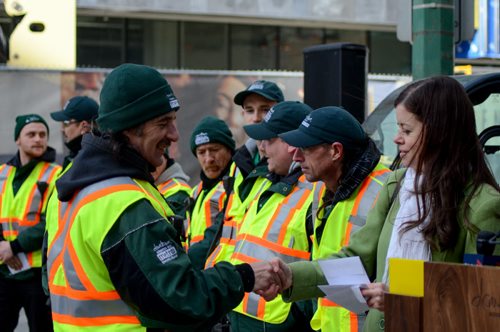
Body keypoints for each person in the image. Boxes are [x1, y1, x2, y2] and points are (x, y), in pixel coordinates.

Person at [45, 63, 283, 331]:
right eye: (163, 123)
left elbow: (50, 281)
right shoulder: (124, 203)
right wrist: (244, 276)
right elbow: (183, 300)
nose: (174, 134)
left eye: (173, 120)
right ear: (129, 126)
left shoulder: (68, 190)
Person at [276, 76, 500, 332]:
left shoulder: (484, 206)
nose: (396, 139)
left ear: (440, 133)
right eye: (397, 129)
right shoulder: (397, 185)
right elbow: (357, 260)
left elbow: (482, 301)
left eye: (407, 130)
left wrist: (402, 295)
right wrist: (291, 276)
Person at [277, 106, 390, 331]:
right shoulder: (321, 188)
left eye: (306, 148)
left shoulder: (386, 191)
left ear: (336, 151)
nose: (295, 155)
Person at [227, 101, 315, 331]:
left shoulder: (316, 194)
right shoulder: (265, 182)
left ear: (292, 143)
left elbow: (324, 265)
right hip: (243, 312)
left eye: (268, 140)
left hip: (278, 320)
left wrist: (297, 315)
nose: (262, 148)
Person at [203, 80, 284, 269]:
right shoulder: (237, 163)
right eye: (249, 110)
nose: (256, 118)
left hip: (264, 280)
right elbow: (224, 223)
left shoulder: (287, 166)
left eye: (265, 109)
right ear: (242, 115)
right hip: (230, 278)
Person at [0, 114, 61, 332]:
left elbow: (50, 222)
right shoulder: (2, 173)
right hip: (4, 270)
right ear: (18, 139)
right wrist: (3, 246)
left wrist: (13, 247)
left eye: (42, 135)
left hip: (36, 275)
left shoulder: (55, 174)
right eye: (31, 134)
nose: (38, 139)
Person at [187, 116, 235, 251]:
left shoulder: (238, 185)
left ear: (229, 150)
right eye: (201, 152)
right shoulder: (196, 192)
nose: (208, 159)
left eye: (214, 150)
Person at [152, 149, 191, 245]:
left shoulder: (177, 191)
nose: (152, 166)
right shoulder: (156, 185)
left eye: (157, 158)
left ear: (165, 158)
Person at [50, 95, 99, 169]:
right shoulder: (78, 155)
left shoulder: (88, 161)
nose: (62, 129)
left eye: (66, 123)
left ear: (84, 126)